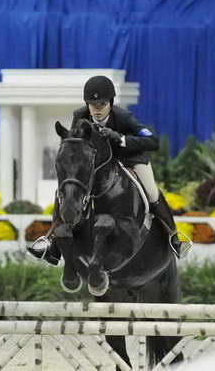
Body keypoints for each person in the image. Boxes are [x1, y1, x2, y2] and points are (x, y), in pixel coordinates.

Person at [27, 75, 191, 266]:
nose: (96, 109)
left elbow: (153, 142)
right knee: (67, 190)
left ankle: (174, 237)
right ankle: (52, 243)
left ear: (110, 103)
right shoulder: (79, 115)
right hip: (97, 164)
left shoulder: (123, 117)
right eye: (92, 104)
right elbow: (75, 146)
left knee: (151, 191)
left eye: (102, 104)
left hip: (129, 158)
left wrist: (120, 138)